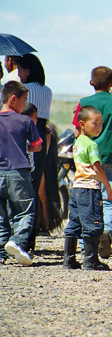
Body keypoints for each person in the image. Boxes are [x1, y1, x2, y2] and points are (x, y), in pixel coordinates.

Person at [71, 66, 112, 259]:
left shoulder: (84, 103)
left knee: (86, 201)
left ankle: (86, 245)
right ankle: (106, 232)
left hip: (86, 160)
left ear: (91, 83)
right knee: (108, 200)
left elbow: (76, 133)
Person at [63, 106, 112, 270]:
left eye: (101, 123)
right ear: (82, 124)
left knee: (75, 223)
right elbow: (97, 167)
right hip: (90, 189)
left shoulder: (78, 143)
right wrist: (107, 185)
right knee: (93, 223)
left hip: (76, 188)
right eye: (95, 123)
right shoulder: (91, 145)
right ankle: (91, 261)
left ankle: (68, 260)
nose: (99, 127)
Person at [12, 54, 53, 248]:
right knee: (35, 187)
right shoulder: (48, 91)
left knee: (21, 188)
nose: (18, 74)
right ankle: (31, 238)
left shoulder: (24, 90)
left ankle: (20, 236)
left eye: (20, 69)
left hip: (26, 136)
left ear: (28, 71)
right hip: (42, 137)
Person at [0, 81, 42, 265]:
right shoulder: (24, 120)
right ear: (13, 99)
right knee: (25, 211)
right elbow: (37, 146)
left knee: (1, 215)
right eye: (24, 101)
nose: (25, 105)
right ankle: (17, 241)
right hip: (19, 171)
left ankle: (1, 253)